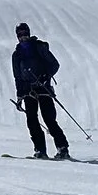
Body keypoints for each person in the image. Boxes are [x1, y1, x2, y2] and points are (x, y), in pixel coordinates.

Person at [11, 22, 70, 160]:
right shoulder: (16, 55)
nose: (23, 37)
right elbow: (17, 77)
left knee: (49, 119)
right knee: (32, 121)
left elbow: (54, 64)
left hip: (43, 88)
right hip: (27, 91)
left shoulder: (39, 47)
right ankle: (40, 150)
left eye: (25, 34)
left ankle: (63, 148)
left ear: (29, 33)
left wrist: (45, 76)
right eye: (20, 35)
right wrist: (19, 96)